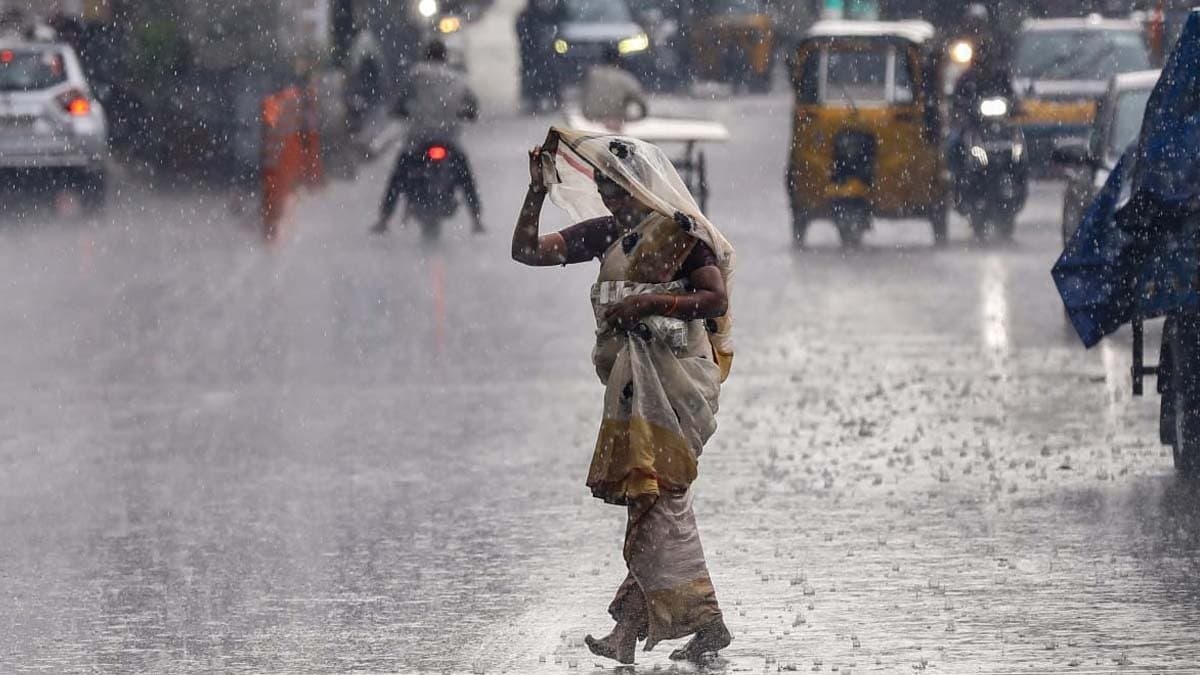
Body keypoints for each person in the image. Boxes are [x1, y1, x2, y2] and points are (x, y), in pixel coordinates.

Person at [511, 128, 736, 665]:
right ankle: (663, 630)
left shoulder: (681, 234)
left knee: (654, 500)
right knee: (652, 501)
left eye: (620, 190)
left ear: (642, 186)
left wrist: (650, 304)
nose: (613, 200)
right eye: (606, 190)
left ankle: (686, 623)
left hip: (678, 385)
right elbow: (525, 251)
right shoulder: (606, 233)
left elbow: (713, 297)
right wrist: (537, 191)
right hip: (634, 386)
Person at [373, 39, 483, 233]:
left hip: (419, 138)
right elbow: (472, 103)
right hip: (448, 138)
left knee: (399, 173)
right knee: (464, 173)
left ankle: (384, 218)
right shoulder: (456, 77)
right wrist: (467, 113)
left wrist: (398, 111)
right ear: (444, 57)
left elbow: (400, 101)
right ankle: (476, 219)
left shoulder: (416, 74)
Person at [515, 0, 563, 112]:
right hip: (532, 55)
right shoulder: (527, 17)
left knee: (552, 73)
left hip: (549, 55)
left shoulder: (556, 15)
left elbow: (561, 32)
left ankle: (551, 98)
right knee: (532, 75)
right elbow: (523, 35)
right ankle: (532, 100)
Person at [580, 45, 647, 125]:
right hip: (614, 121)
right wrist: (636, 118)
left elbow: (581, 96)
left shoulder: (591, 75)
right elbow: (640, 100)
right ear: (618, 60)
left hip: (589, 121)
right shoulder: (624, 78)